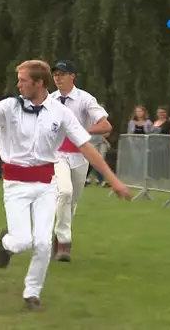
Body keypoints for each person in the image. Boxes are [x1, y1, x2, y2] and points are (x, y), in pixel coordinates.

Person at [0, 59, 131, 311]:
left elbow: (86, 146)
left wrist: (113, 180)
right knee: (22, 241)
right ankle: (6, 242)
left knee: (42, 243)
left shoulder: (61, 113)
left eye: (23, 80)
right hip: (16, 184)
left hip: (46, 184)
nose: (18, 85)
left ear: (39, 83)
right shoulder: (10, 106)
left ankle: (32, 293)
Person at [49, 60, 113, 262]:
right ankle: (64, 241)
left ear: (72, 76)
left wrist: (83, 130)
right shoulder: (49, 100)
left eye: (62, 73)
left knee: (72, 201)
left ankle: (58, 237)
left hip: (80, 156)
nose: (57, 77)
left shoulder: (85, 99)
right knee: (64, 191)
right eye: (55, 74)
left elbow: (106, 126)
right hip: (57, 154)